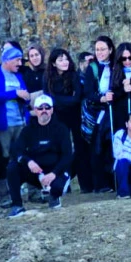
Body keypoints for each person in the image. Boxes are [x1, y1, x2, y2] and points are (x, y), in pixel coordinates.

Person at [6, 95, 73, 213]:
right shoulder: (28, 130)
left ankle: (54, 196)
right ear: (35, 110)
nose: (44, 111)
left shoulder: (61, 129)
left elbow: (67, 155)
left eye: (47, 108)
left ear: (52, 110)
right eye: (40, 108)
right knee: (12, 167)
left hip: (55, 170)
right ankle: (16, 205)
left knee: (57, 188)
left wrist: (54, 173)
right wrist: (28, 161)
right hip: (36, 171)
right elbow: (16, 150)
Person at [0, 46, 31, 208]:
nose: (20, 63)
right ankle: (4, 194)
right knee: (4, 158)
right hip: (3, 125)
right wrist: (15, 94)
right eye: (17, 60)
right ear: (6, 60)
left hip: (20, 122)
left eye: (20, 60)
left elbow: (24, 95)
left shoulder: (18, 75)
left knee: (23, 156)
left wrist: (25, 97)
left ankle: (30, 190)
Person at [45, 48, 84, 198]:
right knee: (60, 149)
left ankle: (83, 183)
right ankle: (60, 182)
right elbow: (49, 98)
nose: (65, 62)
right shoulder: (48, 77)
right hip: (57, 117)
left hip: (74, 115)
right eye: (60, 60)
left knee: (79, 148)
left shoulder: (73, 76)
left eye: (66, 58)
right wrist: (62, 100)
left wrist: (59, 100)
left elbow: (76, 98)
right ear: (54, 63)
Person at [81, 35, 116, 193]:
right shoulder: (93, 67)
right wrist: (102, 98)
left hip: (113, 111)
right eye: (97, 50)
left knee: (111, 145)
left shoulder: (116, 65)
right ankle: (100, 183)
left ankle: (114, 180)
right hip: (97, 113)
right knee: (97, 147)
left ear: (110, 49)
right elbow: (88, 91)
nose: (100, 52)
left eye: (103, 49)